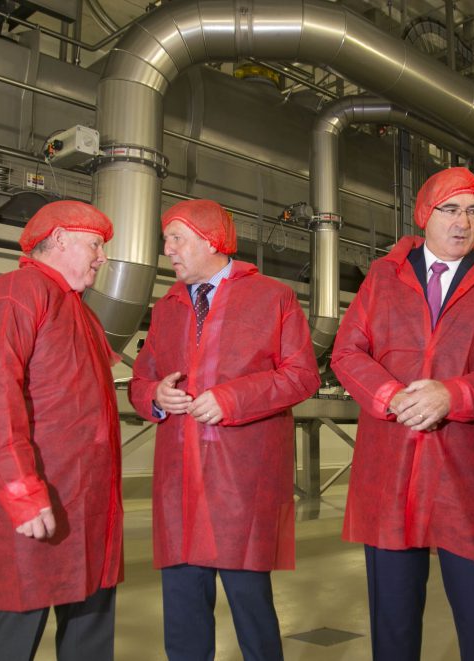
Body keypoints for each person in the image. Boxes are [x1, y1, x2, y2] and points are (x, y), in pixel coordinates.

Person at [330, 167, 474, 661]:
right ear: (425, 213)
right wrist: (392, 396)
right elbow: (348, 352)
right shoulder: (382, 276)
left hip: (465, 468)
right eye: (451, 209)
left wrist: (453, 395)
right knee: (392, 618)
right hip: (390, 468)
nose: (463, 222)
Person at [129, 199, 320, 661]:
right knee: (183, 609)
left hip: (242, 484)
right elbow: (140, 379)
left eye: (177, 238)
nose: (167, 249)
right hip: (180, 484)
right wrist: (156, 395)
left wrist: (232, 398)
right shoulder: (168, 306)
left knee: (250, 607)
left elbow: (302, 375)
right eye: (166, 239)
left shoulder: (272, 298)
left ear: (211, 240)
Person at [0, 200, 124, 661]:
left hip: (88, 505)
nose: (103, 257)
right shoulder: (16, 293)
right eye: (95, 244)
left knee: (90, 629)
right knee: (16, 623)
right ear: (58, 240)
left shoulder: (81, 311)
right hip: (41, 500)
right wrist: (21, 490)